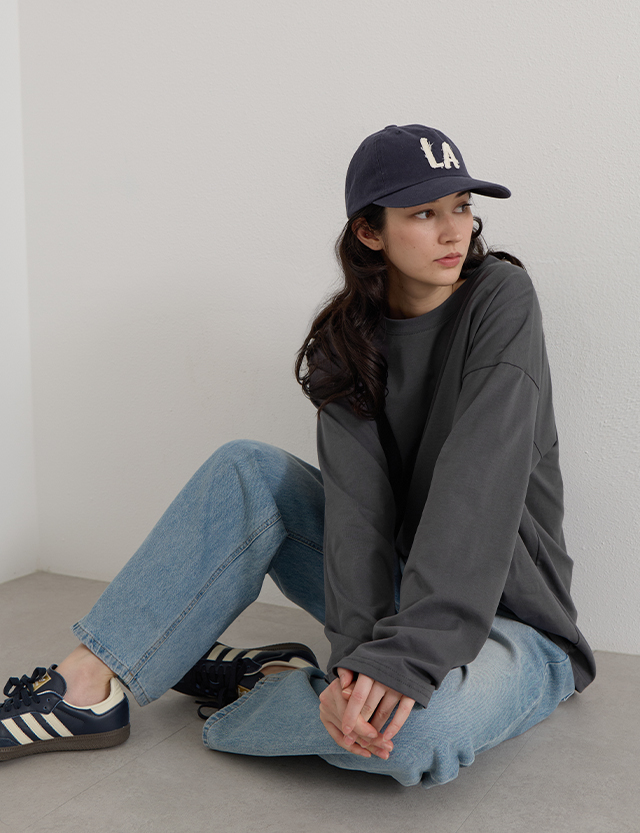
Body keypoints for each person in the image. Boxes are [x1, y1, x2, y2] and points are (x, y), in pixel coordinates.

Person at [1, 124, 595, 788]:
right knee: (248, 469)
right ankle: (84, 687)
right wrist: (357, 660)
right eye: (424, 213)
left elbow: (475, 487)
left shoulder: (501, 298)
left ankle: (268, 687)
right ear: (369, 232)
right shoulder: (346, 341)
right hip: (404, 597)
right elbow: (357, 520)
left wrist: (398, 662)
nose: (454, 231)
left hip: (512, 622)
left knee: (414, 735)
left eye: (461, 206)